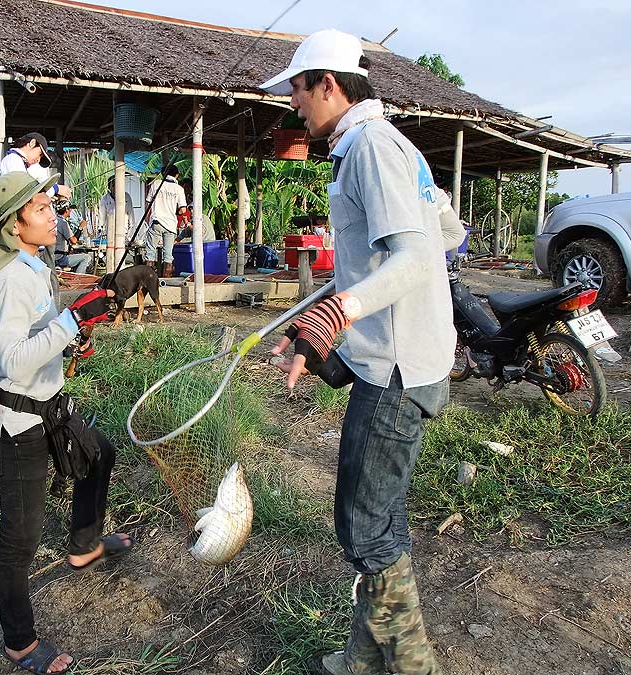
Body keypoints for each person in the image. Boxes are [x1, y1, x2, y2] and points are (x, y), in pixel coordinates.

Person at [261, 29, 465, 675]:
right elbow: (449, 233)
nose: (292, 103)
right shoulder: (392, 145)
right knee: (376, 517)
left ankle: (413, 664)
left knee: (367, 529)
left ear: (327, 83)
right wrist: (314, 322)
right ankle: (361, 655)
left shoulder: (373, 147)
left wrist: (338, 312)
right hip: (405, 355)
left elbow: (414, 258)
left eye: (296, 89)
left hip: (398, 370)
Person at [0, 171, 134, 674]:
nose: (52, 214)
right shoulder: (5, 281)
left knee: (98, 454)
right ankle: (19, 642)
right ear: (14, 226)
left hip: (49, 404)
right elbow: (14, 360)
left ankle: (84, 547)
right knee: (21, 534)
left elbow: (45, 332)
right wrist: (71, 322)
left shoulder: (34, 265)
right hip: (17, 419)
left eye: (49, 205)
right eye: (41, 208)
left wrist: (76, 329)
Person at [0, 132, 72, 201]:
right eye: (40, 154)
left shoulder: (16, 160)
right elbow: (24, 190)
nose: (38, 160)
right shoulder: (13, 159)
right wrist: (56, 189)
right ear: (32, 143)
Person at [144, 164, 187, 277]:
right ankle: (166, 280)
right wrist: (175, 211)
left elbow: (148, 204)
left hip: (156, 221)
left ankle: (148, 279)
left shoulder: (156, 184)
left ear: (163, 174)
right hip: (171, 225)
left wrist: (148, 221)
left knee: (150, 253)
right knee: (168, 255)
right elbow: (183, 210)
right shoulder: (179, 189)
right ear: (176, 175)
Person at [53, 201, 92, 274]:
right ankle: (78, 278)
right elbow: (73, 240)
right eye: (70, 209)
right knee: (86, 257)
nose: (71, 211)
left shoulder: (54, 220)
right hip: (60, 258)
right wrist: (80, 228)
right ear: (66, 210)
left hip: (53, 255)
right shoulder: (63, 223)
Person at [99, 176, 137, 247]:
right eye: (113, 185)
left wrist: (129, 237)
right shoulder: (104, 199)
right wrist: (102, 233)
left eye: (118, 184)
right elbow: (102, 218)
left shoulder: (127, 197)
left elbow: (132, 219)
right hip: (110, 234)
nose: (116, 187)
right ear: (109, 187)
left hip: (124, 234)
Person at [177, 178, 217, 243]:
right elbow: (184, 233)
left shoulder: (201, 218)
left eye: (187, 187)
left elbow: (198, 232)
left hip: (205, 244)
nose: (191, 211)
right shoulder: (180, 199)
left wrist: (187, 223)